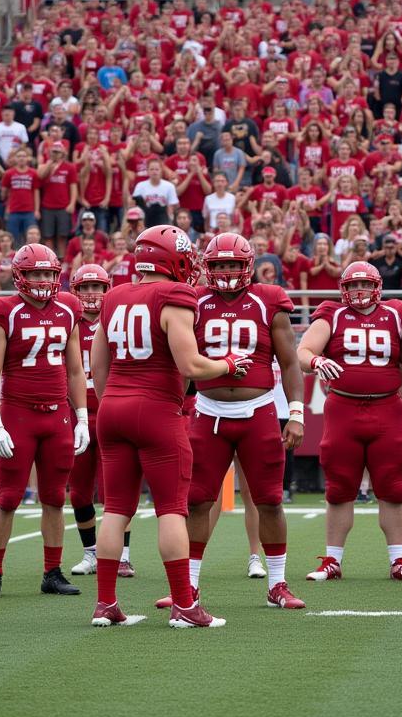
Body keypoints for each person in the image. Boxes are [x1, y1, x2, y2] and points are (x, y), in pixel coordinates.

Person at [88, 224, 252, 628]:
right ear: (172, 258)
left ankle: (105, 604)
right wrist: (228, 364)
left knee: (114, 510)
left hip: (112, 409)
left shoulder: (113, 297)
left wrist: (116, 399)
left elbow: (97, 365)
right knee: (172, 510)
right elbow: (191, 365)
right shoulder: (174, 295)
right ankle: (184, 604)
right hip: (157, 410)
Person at [167, 234, 306, 609]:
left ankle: (277, 584)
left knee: (270, 501)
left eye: (232, 264)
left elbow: (290, 362)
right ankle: (188, 586)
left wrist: (295, 412)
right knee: (197, 501)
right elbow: (179, 363)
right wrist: (172, 406)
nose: (226, 272)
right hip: (208, 412)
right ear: (207, 269)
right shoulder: (192, 300)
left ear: (247, 265)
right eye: (219, 265)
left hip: (259, 410)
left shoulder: (269, 299)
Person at [298, 262, 402, 583]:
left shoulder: (396, 313)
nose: (359, 292)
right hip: (342, 408)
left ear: (377, 287)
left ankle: (398, 561)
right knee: (339, 487)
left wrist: (381, 381)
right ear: (343, 289)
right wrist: (317, 359)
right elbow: (304, 350)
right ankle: (332, 561)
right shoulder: (333, 313)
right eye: (353, 286)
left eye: (365, 285)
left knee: (393, 487)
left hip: (386, 409)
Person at [0, 244, 88, 599]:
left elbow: (74, 370)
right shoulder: (3, 310)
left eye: (48, 274)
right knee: (8, 497)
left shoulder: (69, 307)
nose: (42, 280)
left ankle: (52, 572)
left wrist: (82, 416)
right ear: (20, 276)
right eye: (36, 273)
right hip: (18, 413)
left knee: (55, 497)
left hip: (57, 414)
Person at [66, 264, 124, 576]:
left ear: (107, 289)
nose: (92, 293)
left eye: (97, 287)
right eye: (86, 287)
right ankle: (91, 553)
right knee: (79, 490)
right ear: (75, 290)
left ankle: (123, 554)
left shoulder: (116, 321)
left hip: (110, 411)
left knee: (116, 487)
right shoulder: (66, 320)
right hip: (77, 415)